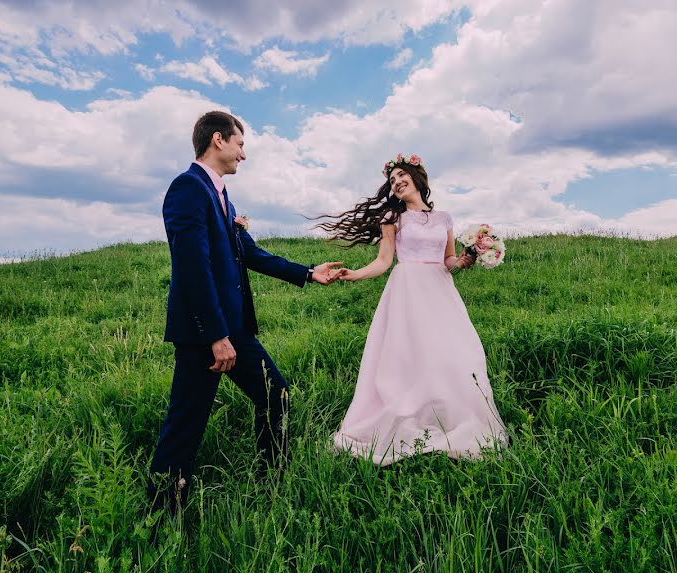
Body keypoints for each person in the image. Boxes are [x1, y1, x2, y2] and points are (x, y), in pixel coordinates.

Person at [147, 111, 344, 511]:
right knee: (186, 423)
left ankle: (271, 484)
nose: (244, 154)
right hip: (208, 333)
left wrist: (307, 272)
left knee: (277, 397)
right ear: (218, 140)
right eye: (240, 144)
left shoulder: (222, 196)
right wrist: (216, 335)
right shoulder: (187, 189)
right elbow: (192, 269)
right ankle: (159, 513)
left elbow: (250, 253)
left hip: (233, 330)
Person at [320, 154, 507, 465]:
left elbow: (448, 262)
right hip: (407, 289)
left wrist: (467, 258)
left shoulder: (444, 219)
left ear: (418, 178)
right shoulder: (393, 219)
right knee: (408, 356)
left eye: (401, 176)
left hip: (440, 291)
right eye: (392, 181)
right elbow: (383, 261)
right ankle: (407, 418)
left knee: (453, 354)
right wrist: (353, 274)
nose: (396, 183)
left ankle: (448, 418)